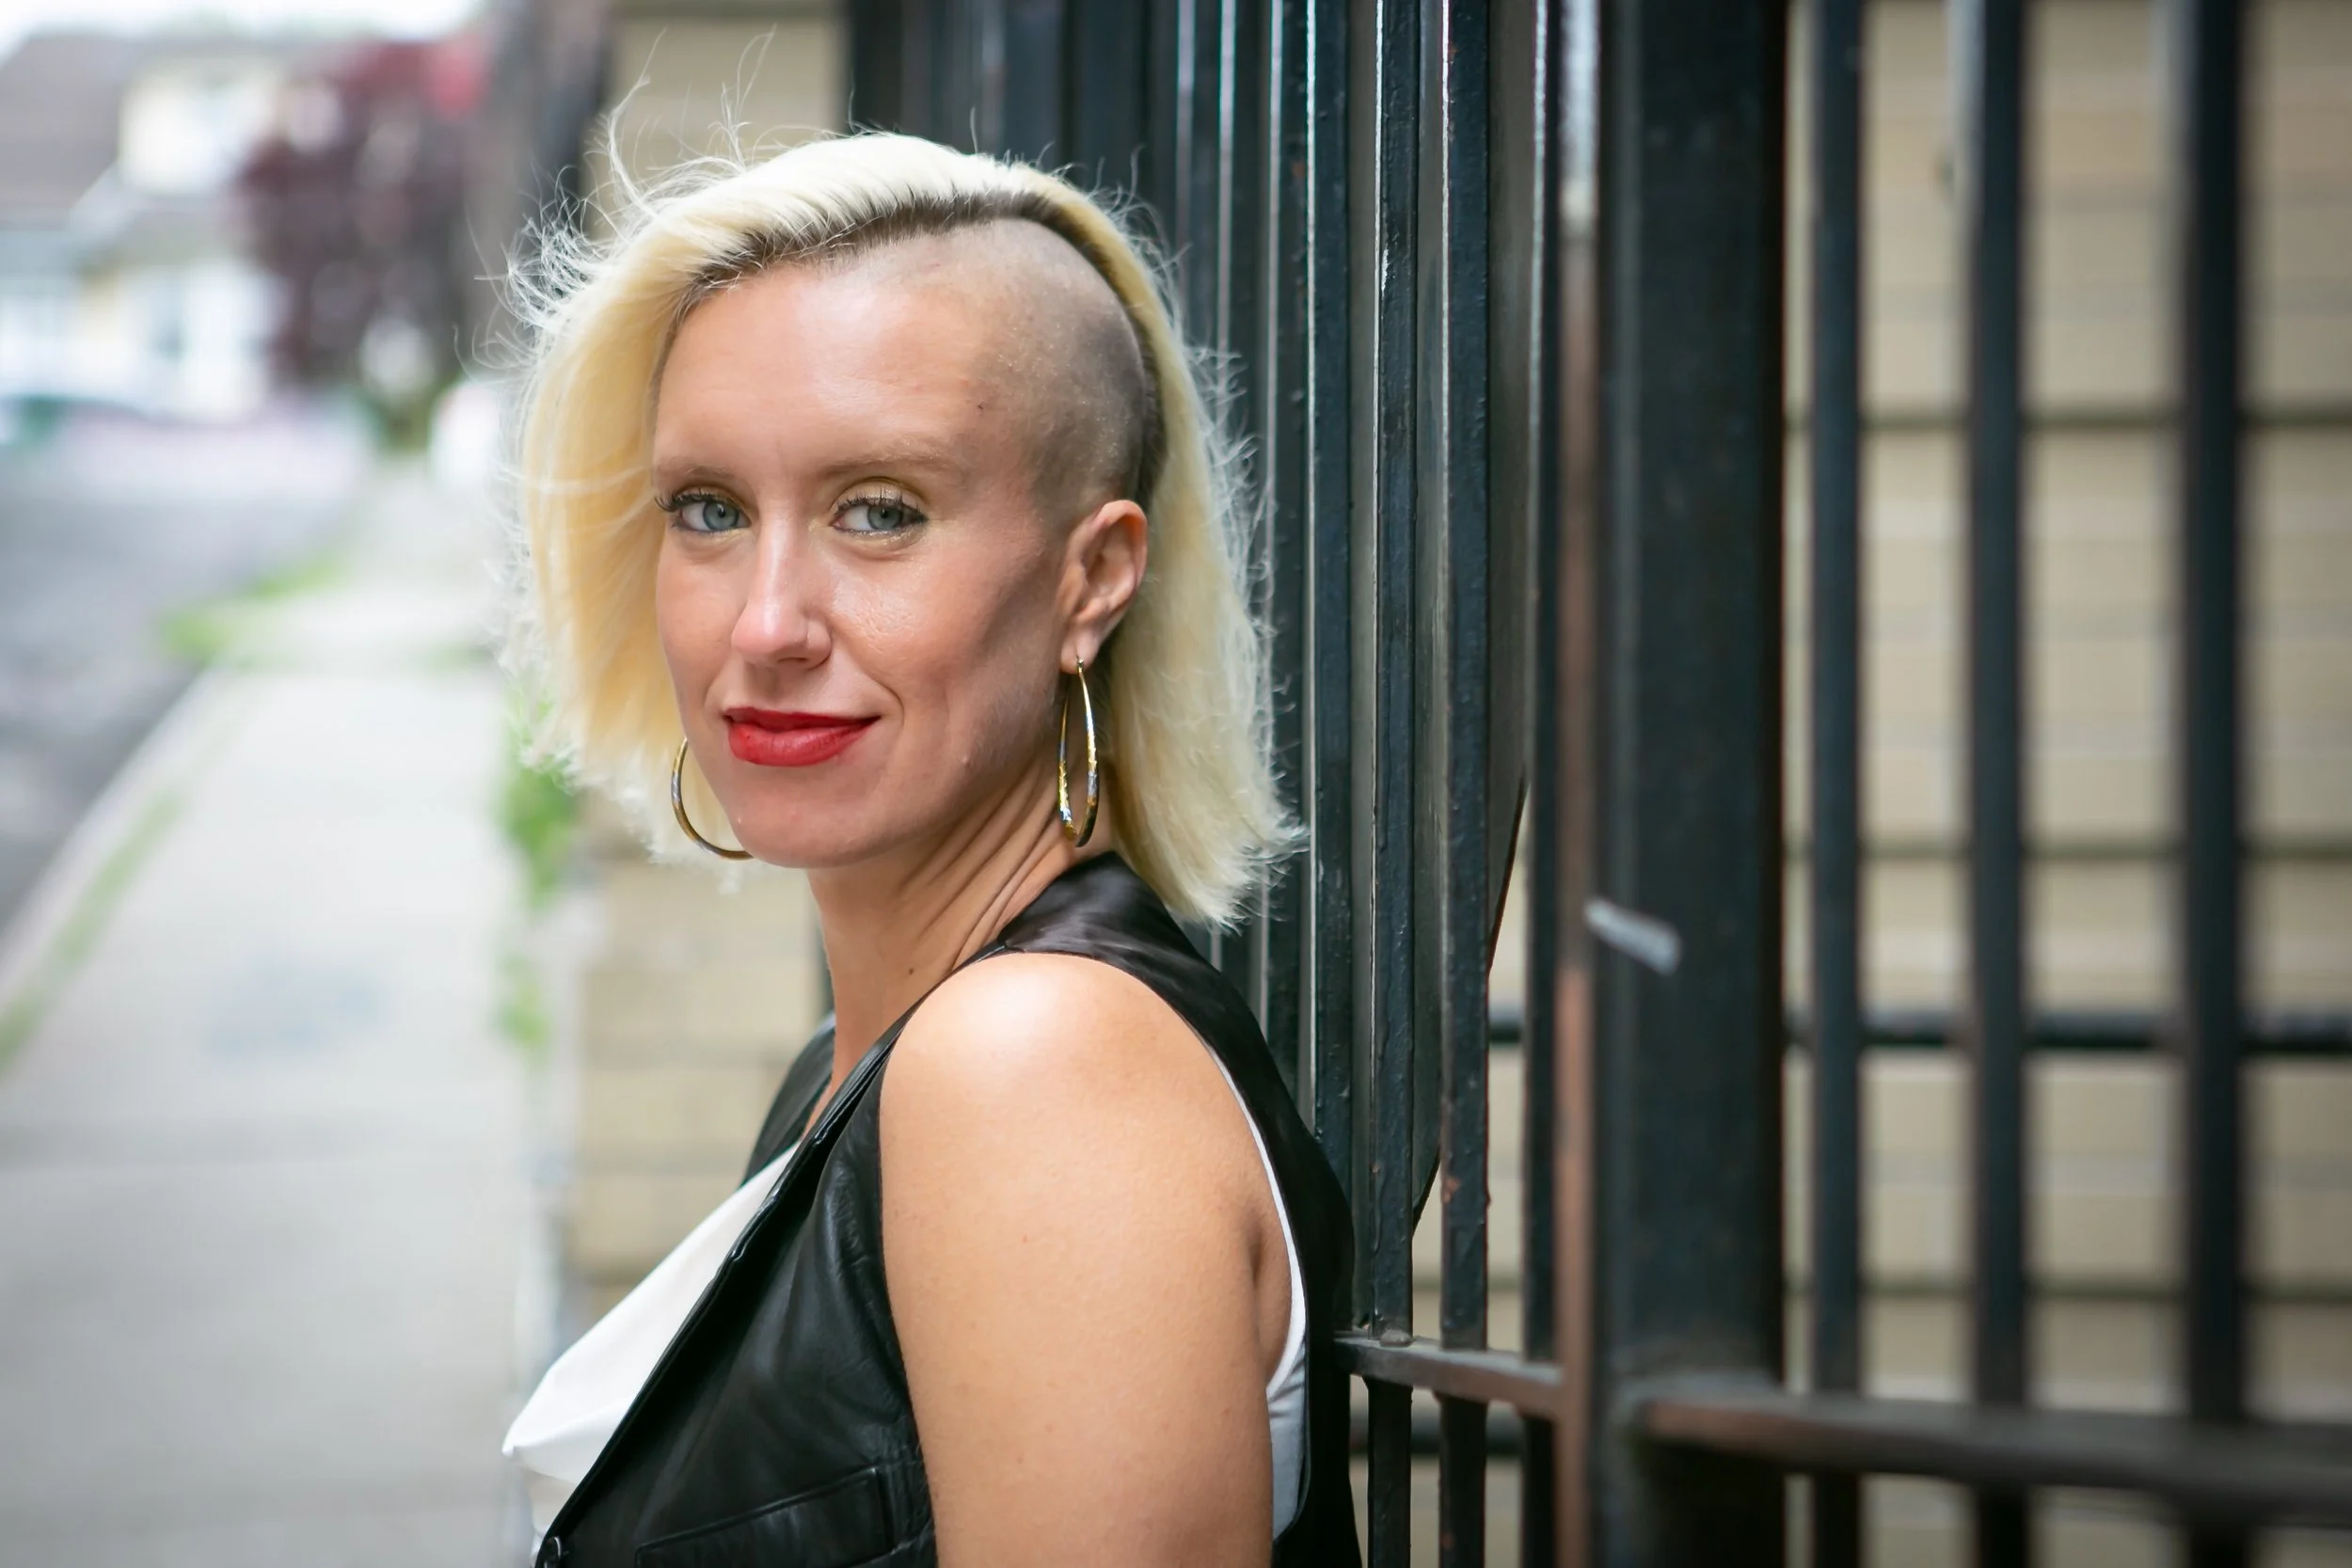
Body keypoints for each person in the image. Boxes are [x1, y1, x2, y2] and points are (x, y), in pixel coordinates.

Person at [499, 132, 1360, 1568]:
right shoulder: (862, 1065)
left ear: (1093, 578)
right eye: (709, 510)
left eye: (880, 511)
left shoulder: (1031, 1068)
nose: (765, 622)